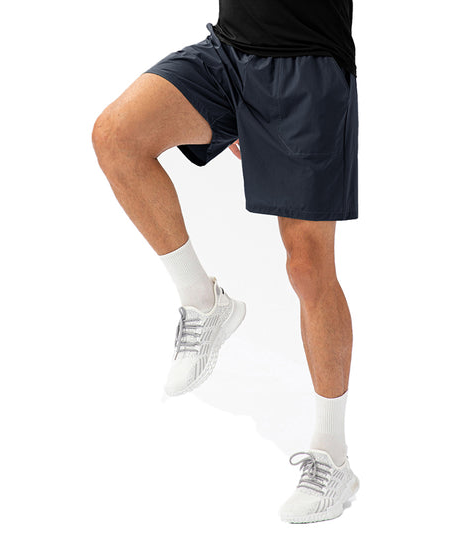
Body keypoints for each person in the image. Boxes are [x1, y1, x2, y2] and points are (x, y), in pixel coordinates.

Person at [92, 0, 359, 524]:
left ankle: (333, 457)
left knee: (308, 268)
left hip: (309, 68)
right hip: (230, 54)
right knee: (116, 135)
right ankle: (203, 302)